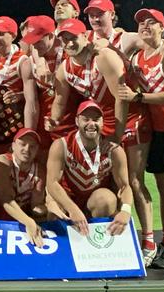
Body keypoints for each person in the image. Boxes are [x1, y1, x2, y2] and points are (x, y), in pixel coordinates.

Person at [48, 18, 154, 261]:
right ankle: (110, 246)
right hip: (99, 123)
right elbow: (61, 101)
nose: (69, 42)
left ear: (85, 36)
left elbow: (121, 97)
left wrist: (116, 135)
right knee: (112, 185)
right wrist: (53, 119)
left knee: (134, 181)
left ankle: (148, 241)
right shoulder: (65, 67)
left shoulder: (102, 56)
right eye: (64, 39)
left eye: (73, 37)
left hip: (126, 120)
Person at [119, 9, 164, 268]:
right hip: (156, 128)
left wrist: (137, 97)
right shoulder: (138, 58)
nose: (145, 26)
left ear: (162, 28)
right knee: (161, 182)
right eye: (141, 23)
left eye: (152, 23)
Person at [46, 100, 132, 236]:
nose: (91, 124)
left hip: (93, 202)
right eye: (86, 119)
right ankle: (60, 249)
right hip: (69, 200)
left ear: (103, 122)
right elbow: (51, 183)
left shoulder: (114, 150)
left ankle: (98, 243)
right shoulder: (61, 145)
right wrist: (73, 209)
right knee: (54, 206)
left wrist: (126, 211)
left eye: (96, 119)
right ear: (76, 121)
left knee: (106, 199)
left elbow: (125, 186)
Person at [0, 16, 38, 159]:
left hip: (11, 127)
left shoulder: (22, 61)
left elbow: (32, 100)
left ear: (13, 36)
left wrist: (27, 136)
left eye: (0, 33)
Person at [21, 15, 77, 152]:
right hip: (45, 129)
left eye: (38, 41)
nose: (34, 45)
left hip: (73, 127)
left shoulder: (70, 55)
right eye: (31, 41)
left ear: (51, 36)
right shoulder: (29, 63)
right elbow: (31, 103)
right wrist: (29, 134)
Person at [0, 128, 47, 245]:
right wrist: (29, 222)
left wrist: (45, 212)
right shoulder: (1, 162)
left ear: (37, 150)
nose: (27, 149)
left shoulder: (40, 170)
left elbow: (36, 205)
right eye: (23, 144)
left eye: (32, 146)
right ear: (13, 146)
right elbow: (6, 199)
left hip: (21, 225)